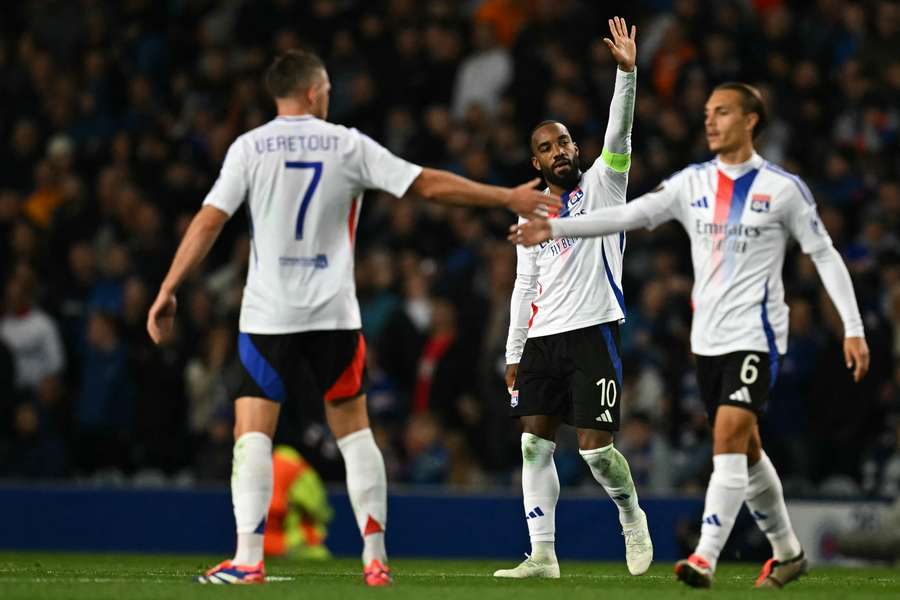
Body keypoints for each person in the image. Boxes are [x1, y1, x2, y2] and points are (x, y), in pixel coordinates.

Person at [146, 49, 559, 586]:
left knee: (252, 433)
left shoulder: (249, 148)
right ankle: (375, 558)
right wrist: (505, 196)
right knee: (355, 433)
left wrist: (168, 287)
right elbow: (428, 184)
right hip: (334, 314)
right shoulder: (347, 144)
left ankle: (248, 558)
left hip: (268, 314)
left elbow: (208, 220)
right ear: (315, 91)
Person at [512, 81, 871, 589]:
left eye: (721, 112)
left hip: (756, 334)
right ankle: (789, 553)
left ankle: (703, 555)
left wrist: (852, 329)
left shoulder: (783, 189)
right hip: (707, 340)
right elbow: (629, 216)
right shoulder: (692, 183)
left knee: (723, 439)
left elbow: (825, 253)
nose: (709, 120)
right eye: (706, 111)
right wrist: (556, 230)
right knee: (746, 450)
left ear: (751, 120)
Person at [495, 17, 653, 580]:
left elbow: (621, 130)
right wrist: (514, 352)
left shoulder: (606, 184)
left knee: (593, 451)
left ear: (574, 147)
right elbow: (524, 285)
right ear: (535, 163)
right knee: (533, 448)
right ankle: (543, 554)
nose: (558, 150)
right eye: (546, 147)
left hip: (594, 328)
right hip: (540, 338)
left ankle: (631, 514)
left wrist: (626, 74)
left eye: (563, 140)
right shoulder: (530, 210)